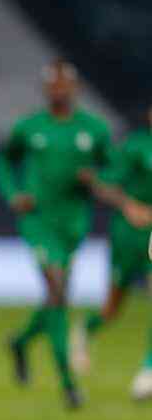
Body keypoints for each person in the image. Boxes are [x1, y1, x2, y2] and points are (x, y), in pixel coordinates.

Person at [0, 60, 111, 409]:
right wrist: (14, 194)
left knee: (55, 295)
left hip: (73, 223)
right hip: (39, 221)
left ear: (76, 89)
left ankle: (21, 341)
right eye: (53, 85)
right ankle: (68, 382)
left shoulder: (95, 129)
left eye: (65, 85)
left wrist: (97, 181)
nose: (59, 90)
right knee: (58, 290)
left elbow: (114, 167)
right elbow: (3, 161)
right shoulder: (30, 127)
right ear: (46, 90)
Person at [70, 105, 152, 399]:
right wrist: (130, 205)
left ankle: (147, 371)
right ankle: (86, 329)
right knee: (113, 307)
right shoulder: (135, 146)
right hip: (129, 234)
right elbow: (103, 183)